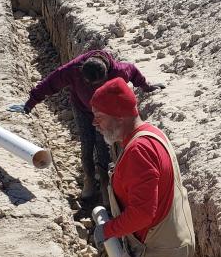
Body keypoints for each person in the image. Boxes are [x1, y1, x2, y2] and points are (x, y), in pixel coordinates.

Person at [89, 77, 208, 257]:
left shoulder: (138, 151)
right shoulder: (152, 134)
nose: (96, 124)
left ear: (119, 116)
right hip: (178, 242)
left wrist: (108, 229)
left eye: (100, 118)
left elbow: (143, 213)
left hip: (157, 255)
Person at [8, 50, 163, 200]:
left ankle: (105, 183)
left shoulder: (119, 70)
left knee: (103, 145)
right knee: (87, 143)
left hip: (105, 112)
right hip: (82, 108)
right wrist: (29, 104)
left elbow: (134, 72)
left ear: (106, 74)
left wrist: (147, 87)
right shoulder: (73, 69)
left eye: (97, 85)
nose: (94, 89)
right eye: (88, 84)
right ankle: (89, 178)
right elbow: (50, 83)